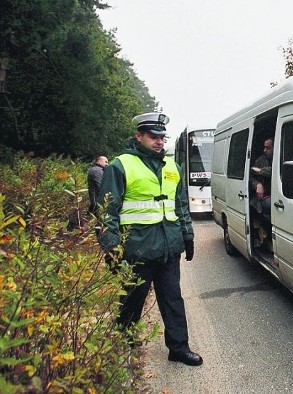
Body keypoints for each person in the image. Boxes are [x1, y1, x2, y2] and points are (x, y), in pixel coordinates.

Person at [98, 112, 202, 366]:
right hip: (137, 250)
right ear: (139, 136)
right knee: (132, 299)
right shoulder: (120, 165)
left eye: (162, 137)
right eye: (153, 137)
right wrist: (111, 246)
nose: (159, 142)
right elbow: (106, 210)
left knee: (173, 299)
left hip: (169, 248)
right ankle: (123, 344)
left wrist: (187, 235)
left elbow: (180, 205)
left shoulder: (172, 167)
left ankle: (178, 347)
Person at [250, 138, 273, 248]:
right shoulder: (261, 160)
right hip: (261, 198)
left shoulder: (281, 158)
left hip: (277, 197)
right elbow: (250, 175)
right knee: (254, 206)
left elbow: (277, 171)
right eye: (264, 147)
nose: (264, 150)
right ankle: (258, 238)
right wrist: (257, 184)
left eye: (268, 148)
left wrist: (261, 171)